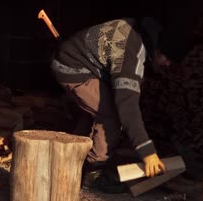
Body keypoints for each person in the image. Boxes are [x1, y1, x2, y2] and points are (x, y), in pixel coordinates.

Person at [50, 17, 173, 192]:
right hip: (72, 66)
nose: (168, 64)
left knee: (98, 110)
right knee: (111, 116)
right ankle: (94, 174)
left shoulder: (142, 31)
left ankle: (71, 162)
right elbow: (127, 109)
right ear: (158, 49)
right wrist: (148, 152)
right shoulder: (131, 56)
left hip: (84, 63)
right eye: (167, 58)